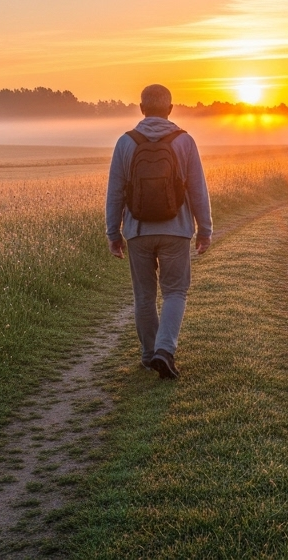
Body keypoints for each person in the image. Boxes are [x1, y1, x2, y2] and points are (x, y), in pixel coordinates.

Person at [106, 84, 212, 379]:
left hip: (137, 230)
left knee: (144, 296)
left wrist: (113, 233)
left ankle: (149, 353)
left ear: (141, 108)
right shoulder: (184, 141)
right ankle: (164, 351)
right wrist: (205, 229)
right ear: (170, 108)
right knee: (175, 291)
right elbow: (198, 189)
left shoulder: (125, 143)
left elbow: (115, 192)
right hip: (176, 230)